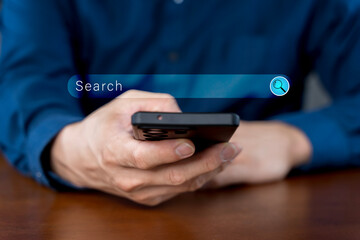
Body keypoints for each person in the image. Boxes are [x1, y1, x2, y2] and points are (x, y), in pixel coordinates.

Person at [0, 0, 359, 206]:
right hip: (90, 207)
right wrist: (70, 149)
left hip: (254, 208)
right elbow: (26, 80)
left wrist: (293, 139)